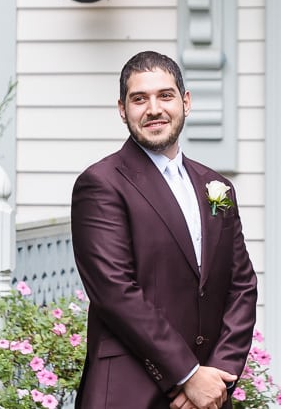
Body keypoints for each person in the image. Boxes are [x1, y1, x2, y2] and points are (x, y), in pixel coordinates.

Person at [70, 51, 258, 409]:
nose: (154, 109)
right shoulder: (101, 184)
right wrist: (188, 374)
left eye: (165, 96)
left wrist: (219, 374)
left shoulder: (216, 186)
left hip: (208, 397)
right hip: (128, 393)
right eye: (139, 99)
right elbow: (115, 291)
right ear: (122, 109)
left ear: (185, 102)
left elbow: (242, 286)